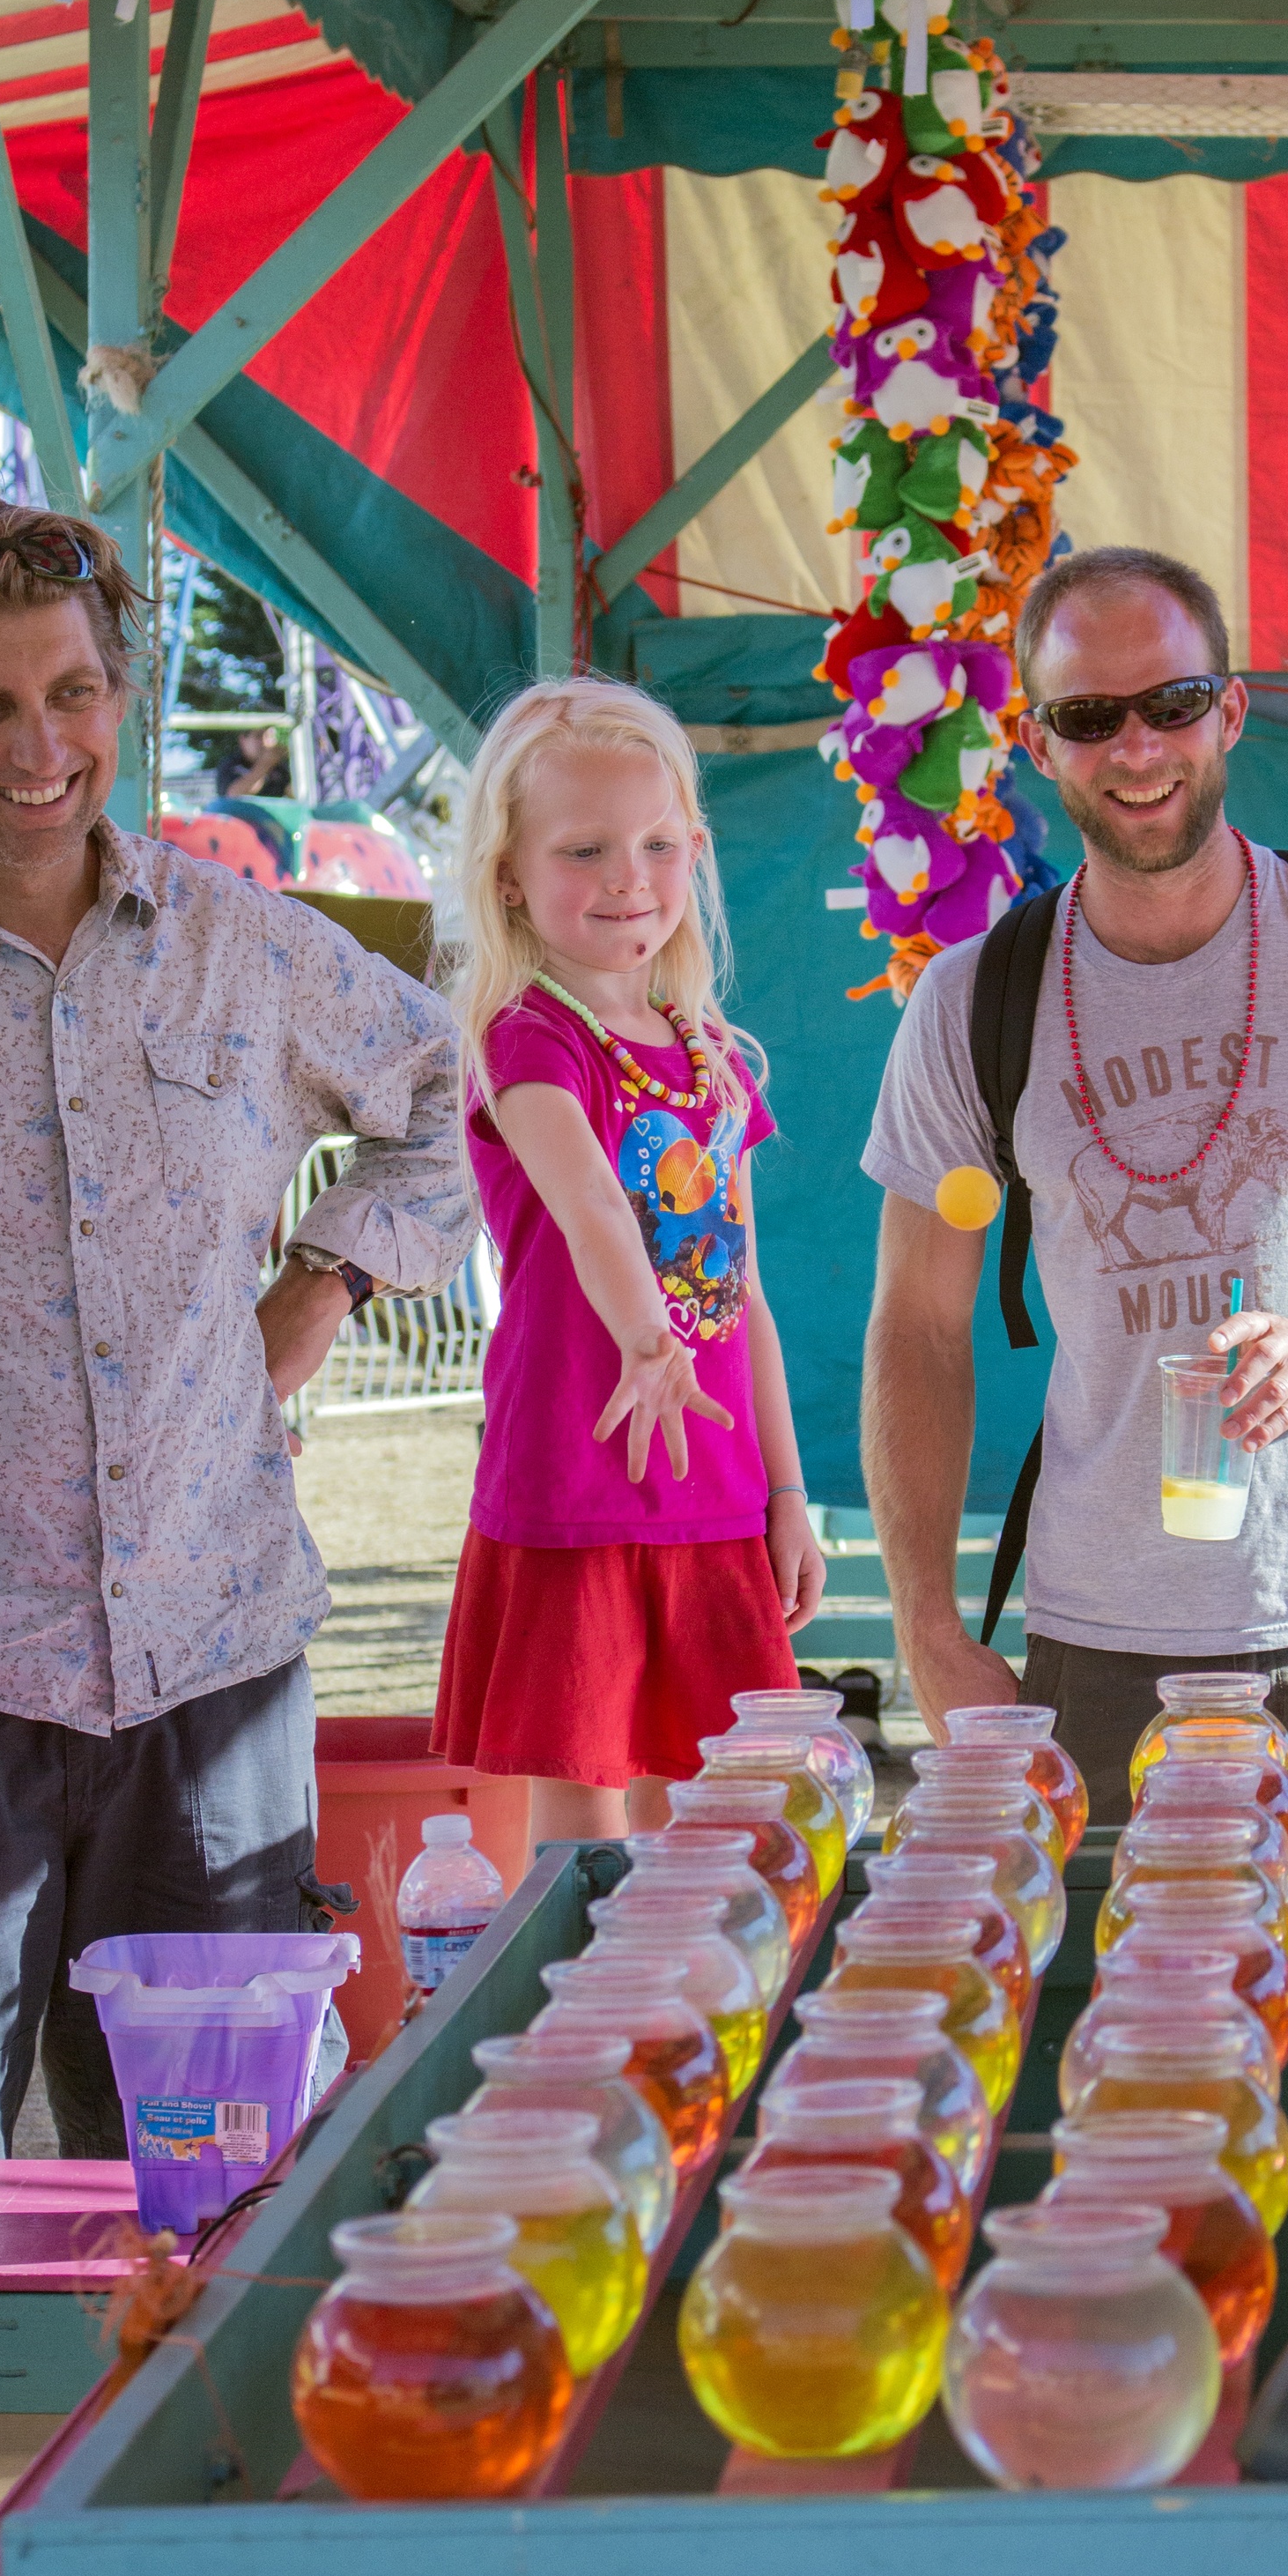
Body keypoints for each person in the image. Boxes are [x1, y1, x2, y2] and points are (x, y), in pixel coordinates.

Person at [0, 500, 475, 2157]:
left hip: (213, 1665)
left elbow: (450, 1098)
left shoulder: (244, 948)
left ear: (123, 697)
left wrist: (323, 1285)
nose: (40, 749)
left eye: (73, 693)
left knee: (214, 2195)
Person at [860, 545, 1288, 1820]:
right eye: (1089, 716)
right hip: (1102, 1652)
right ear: (1036, 742)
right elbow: (918, 1326)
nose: (1136, 748)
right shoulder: (969, 1004)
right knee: (1119, 1959)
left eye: (1172, 703)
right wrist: (926, 1628)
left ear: (1229, 709)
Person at [429, 677, 825, 1851]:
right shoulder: (528, 1039)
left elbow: (744, 1299)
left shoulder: (714, 1059)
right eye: (584, 849)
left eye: (656, 844)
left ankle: (689, 1979)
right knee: (583, 1819)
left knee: (713, 1811)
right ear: (509, 874)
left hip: (716, 1494)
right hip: (577, 1487)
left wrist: (786, 1495)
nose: (627, 877)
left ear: (694, 852)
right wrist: (650, 1343)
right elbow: (592, 1203)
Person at [215, 723, 291, 800]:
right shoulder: (231, 764)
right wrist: (266, 764)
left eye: (270, 736)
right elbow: (232, 796)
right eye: (259, 736)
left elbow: (294, 794)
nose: (265, 742)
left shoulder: (280, 766)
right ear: (243, 740)